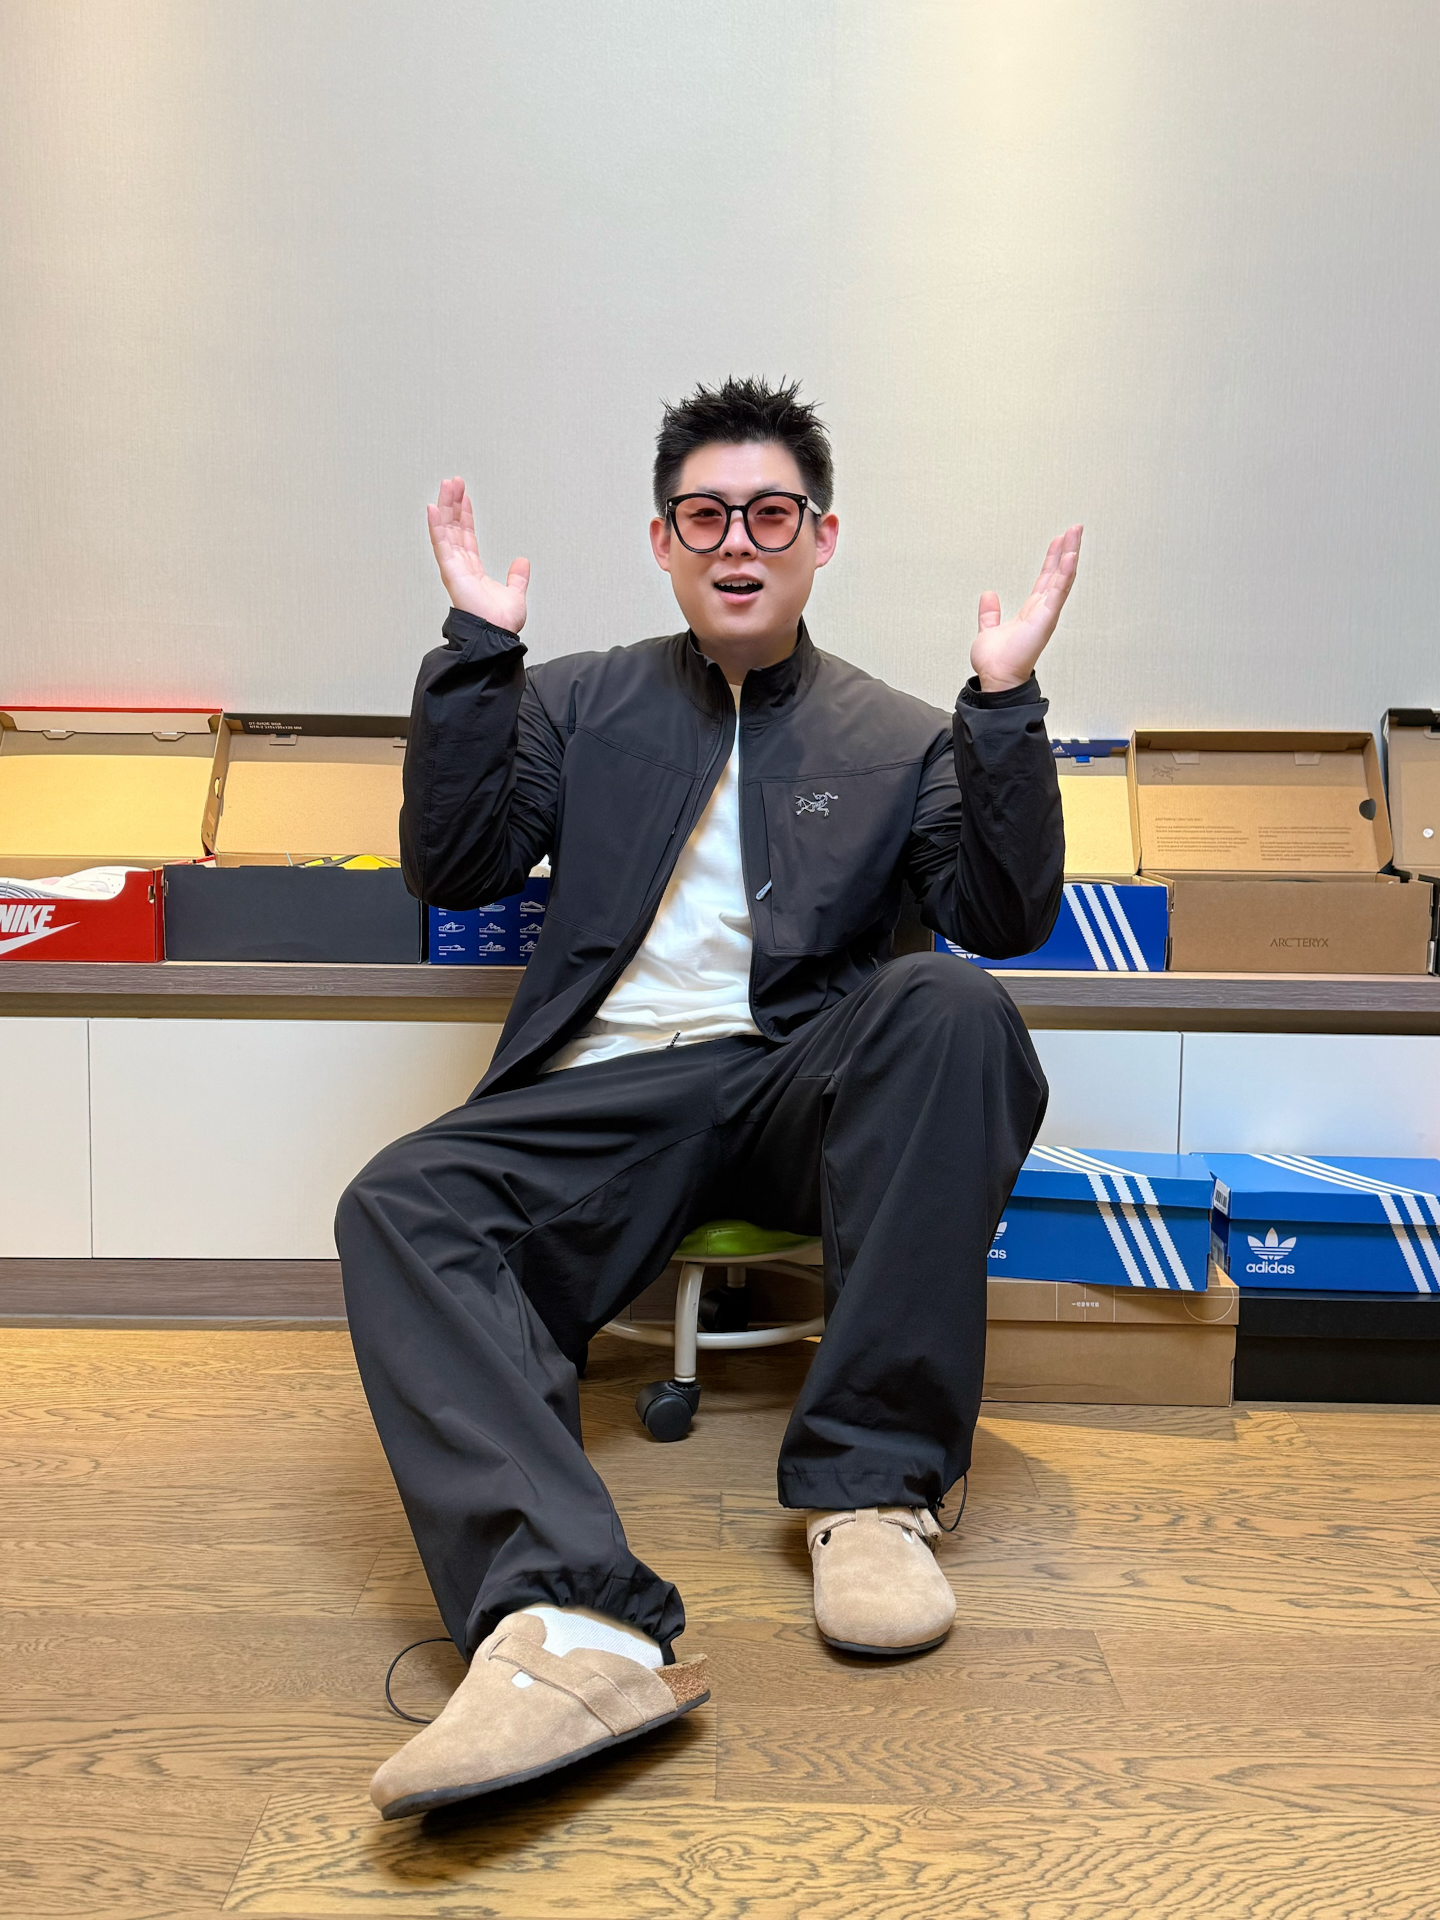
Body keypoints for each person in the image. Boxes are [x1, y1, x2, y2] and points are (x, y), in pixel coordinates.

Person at [338, 377, 1078, 1821]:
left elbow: (1004, 916)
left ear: (822, 537)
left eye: (771, 515)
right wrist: (479, 654)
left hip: (798, 1087)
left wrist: (1001, 710)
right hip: (610, 1095)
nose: (738, 541)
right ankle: (570, 1624)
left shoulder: (900, 732)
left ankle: (872, 1496)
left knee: (950, 1002)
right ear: (664, 543)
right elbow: (455, 869)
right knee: (397, 1200)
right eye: (705, 516)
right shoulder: (575, 701)